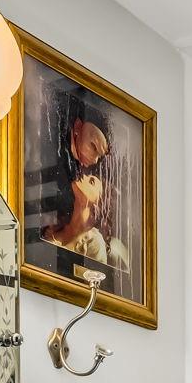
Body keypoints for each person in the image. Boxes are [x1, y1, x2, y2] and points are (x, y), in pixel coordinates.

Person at [36, 95, 130, 280]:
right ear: (78, 127)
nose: (94, 160)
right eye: (93, 146)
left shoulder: (92, 241)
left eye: (100, 156)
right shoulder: (50, 148)